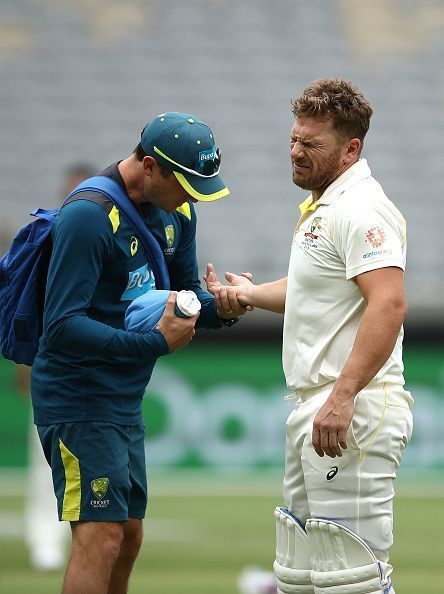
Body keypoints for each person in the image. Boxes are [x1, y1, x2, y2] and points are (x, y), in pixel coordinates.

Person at [206, 79, 412, 594]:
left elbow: (389, 303)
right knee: (299, 576)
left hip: (353, 408)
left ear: (351, 149)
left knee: (350, 579)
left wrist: (343, 397)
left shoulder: (361, 208)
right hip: (315, 406)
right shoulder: (326, 205)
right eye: (294, 139)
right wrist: (250, 296)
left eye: (311, 144)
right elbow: (310, 290)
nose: (296, 152)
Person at [31, 112, 246, 594]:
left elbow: (186, 298)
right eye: (187, 184)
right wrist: (153, 344)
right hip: (78, 397)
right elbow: (62, 325)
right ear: (150, 167)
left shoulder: (180, 212)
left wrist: (226, 307)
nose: (193, 196)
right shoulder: (88, 215)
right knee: (101, 535)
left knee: (128, 535)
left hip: (123, 400)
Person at [16, 163, 96, 571]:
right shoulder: (50, 240)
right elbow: (28, 306)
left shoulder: (105, 239)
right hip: (53, 369)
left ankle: (83, 539)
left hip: (95, 374)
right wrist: (25, 362)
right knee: (45, 460)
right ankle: (44, 539)